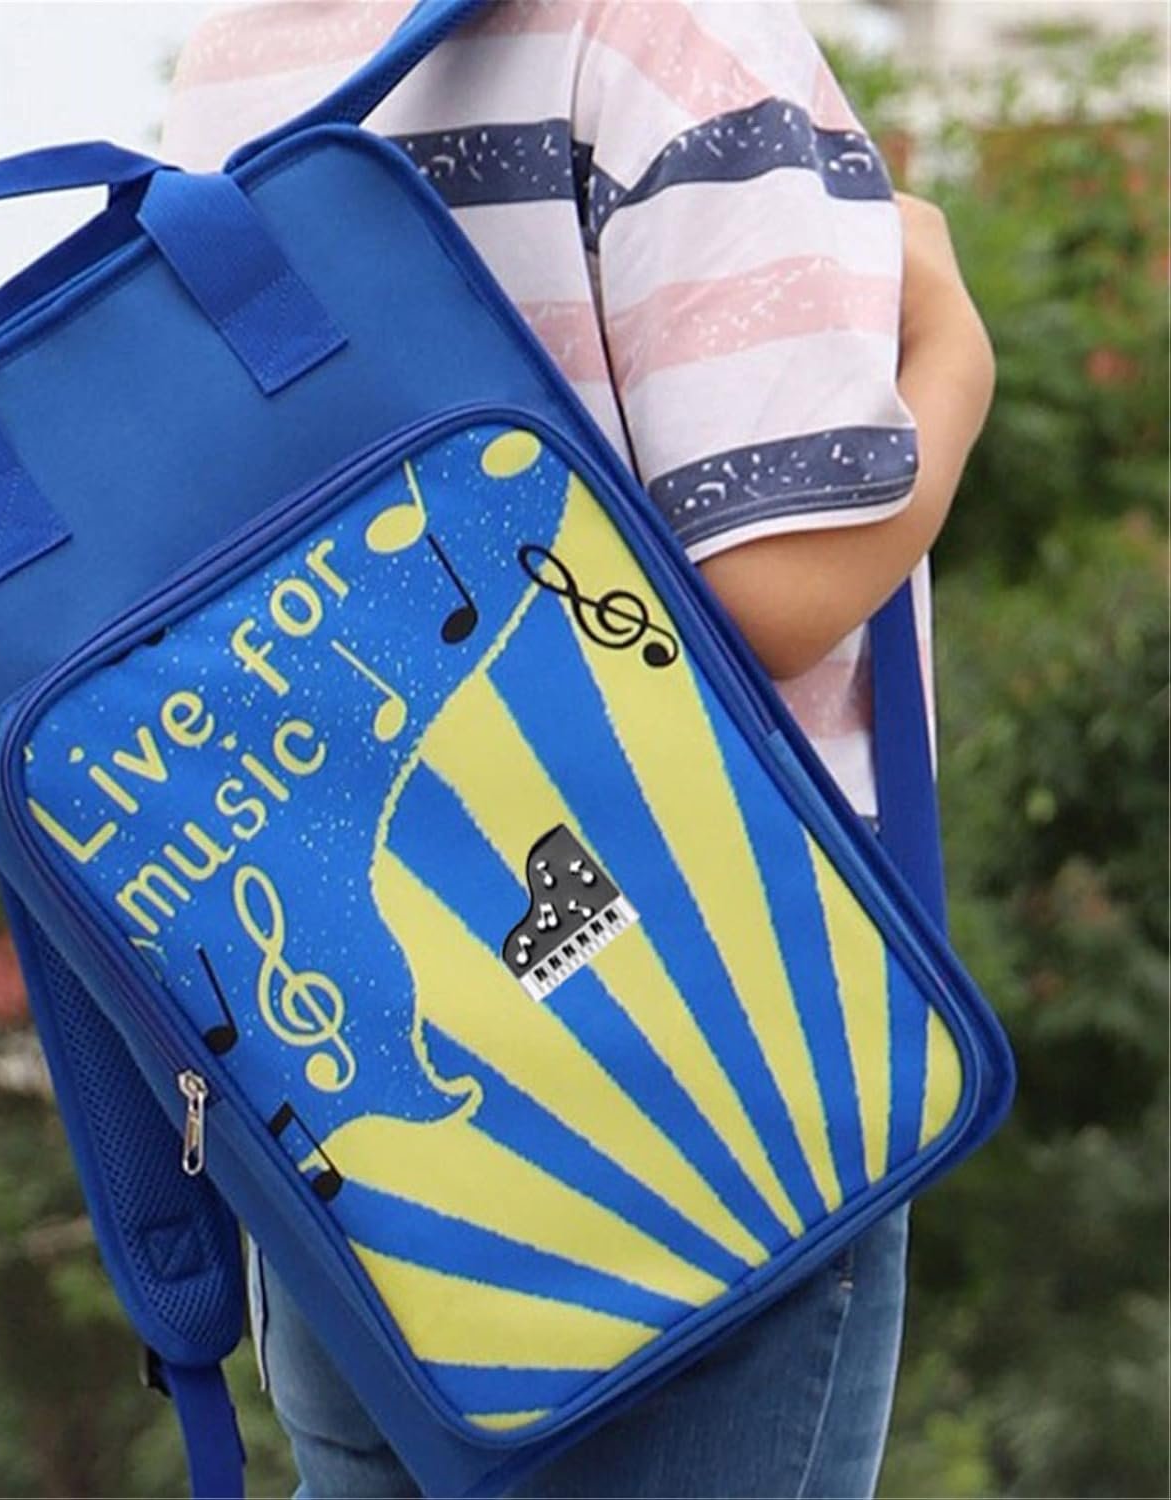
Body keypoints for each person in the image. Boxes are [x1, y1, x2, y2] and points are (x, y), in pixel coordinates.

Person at [163, 4, 996, 1495]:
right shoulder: (670, 36)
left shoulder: (247, 51)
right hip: (710, 1071)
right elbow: (774, 593)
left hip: (362, 1127)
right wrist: (953, 357)